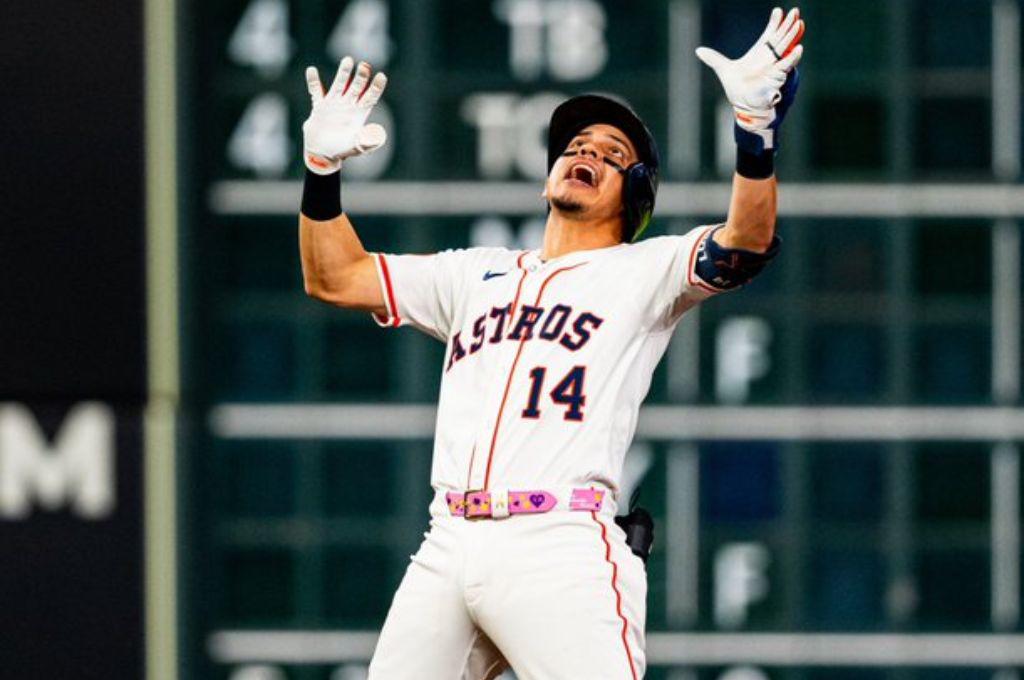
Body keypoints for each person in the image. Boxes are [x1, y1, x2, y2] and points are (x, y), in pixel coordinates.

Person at [298, 8, 804, 679]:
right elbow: (336, 277)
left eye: (612, 155)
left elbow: (746, 242)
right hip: (448, 538)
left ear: (636, 195)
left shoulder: (642, 270)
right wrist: (320, 170)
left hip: (558, 541)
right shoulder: (471, 273)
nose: (586, 153)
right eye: (576, 145)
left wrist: (754, 134)